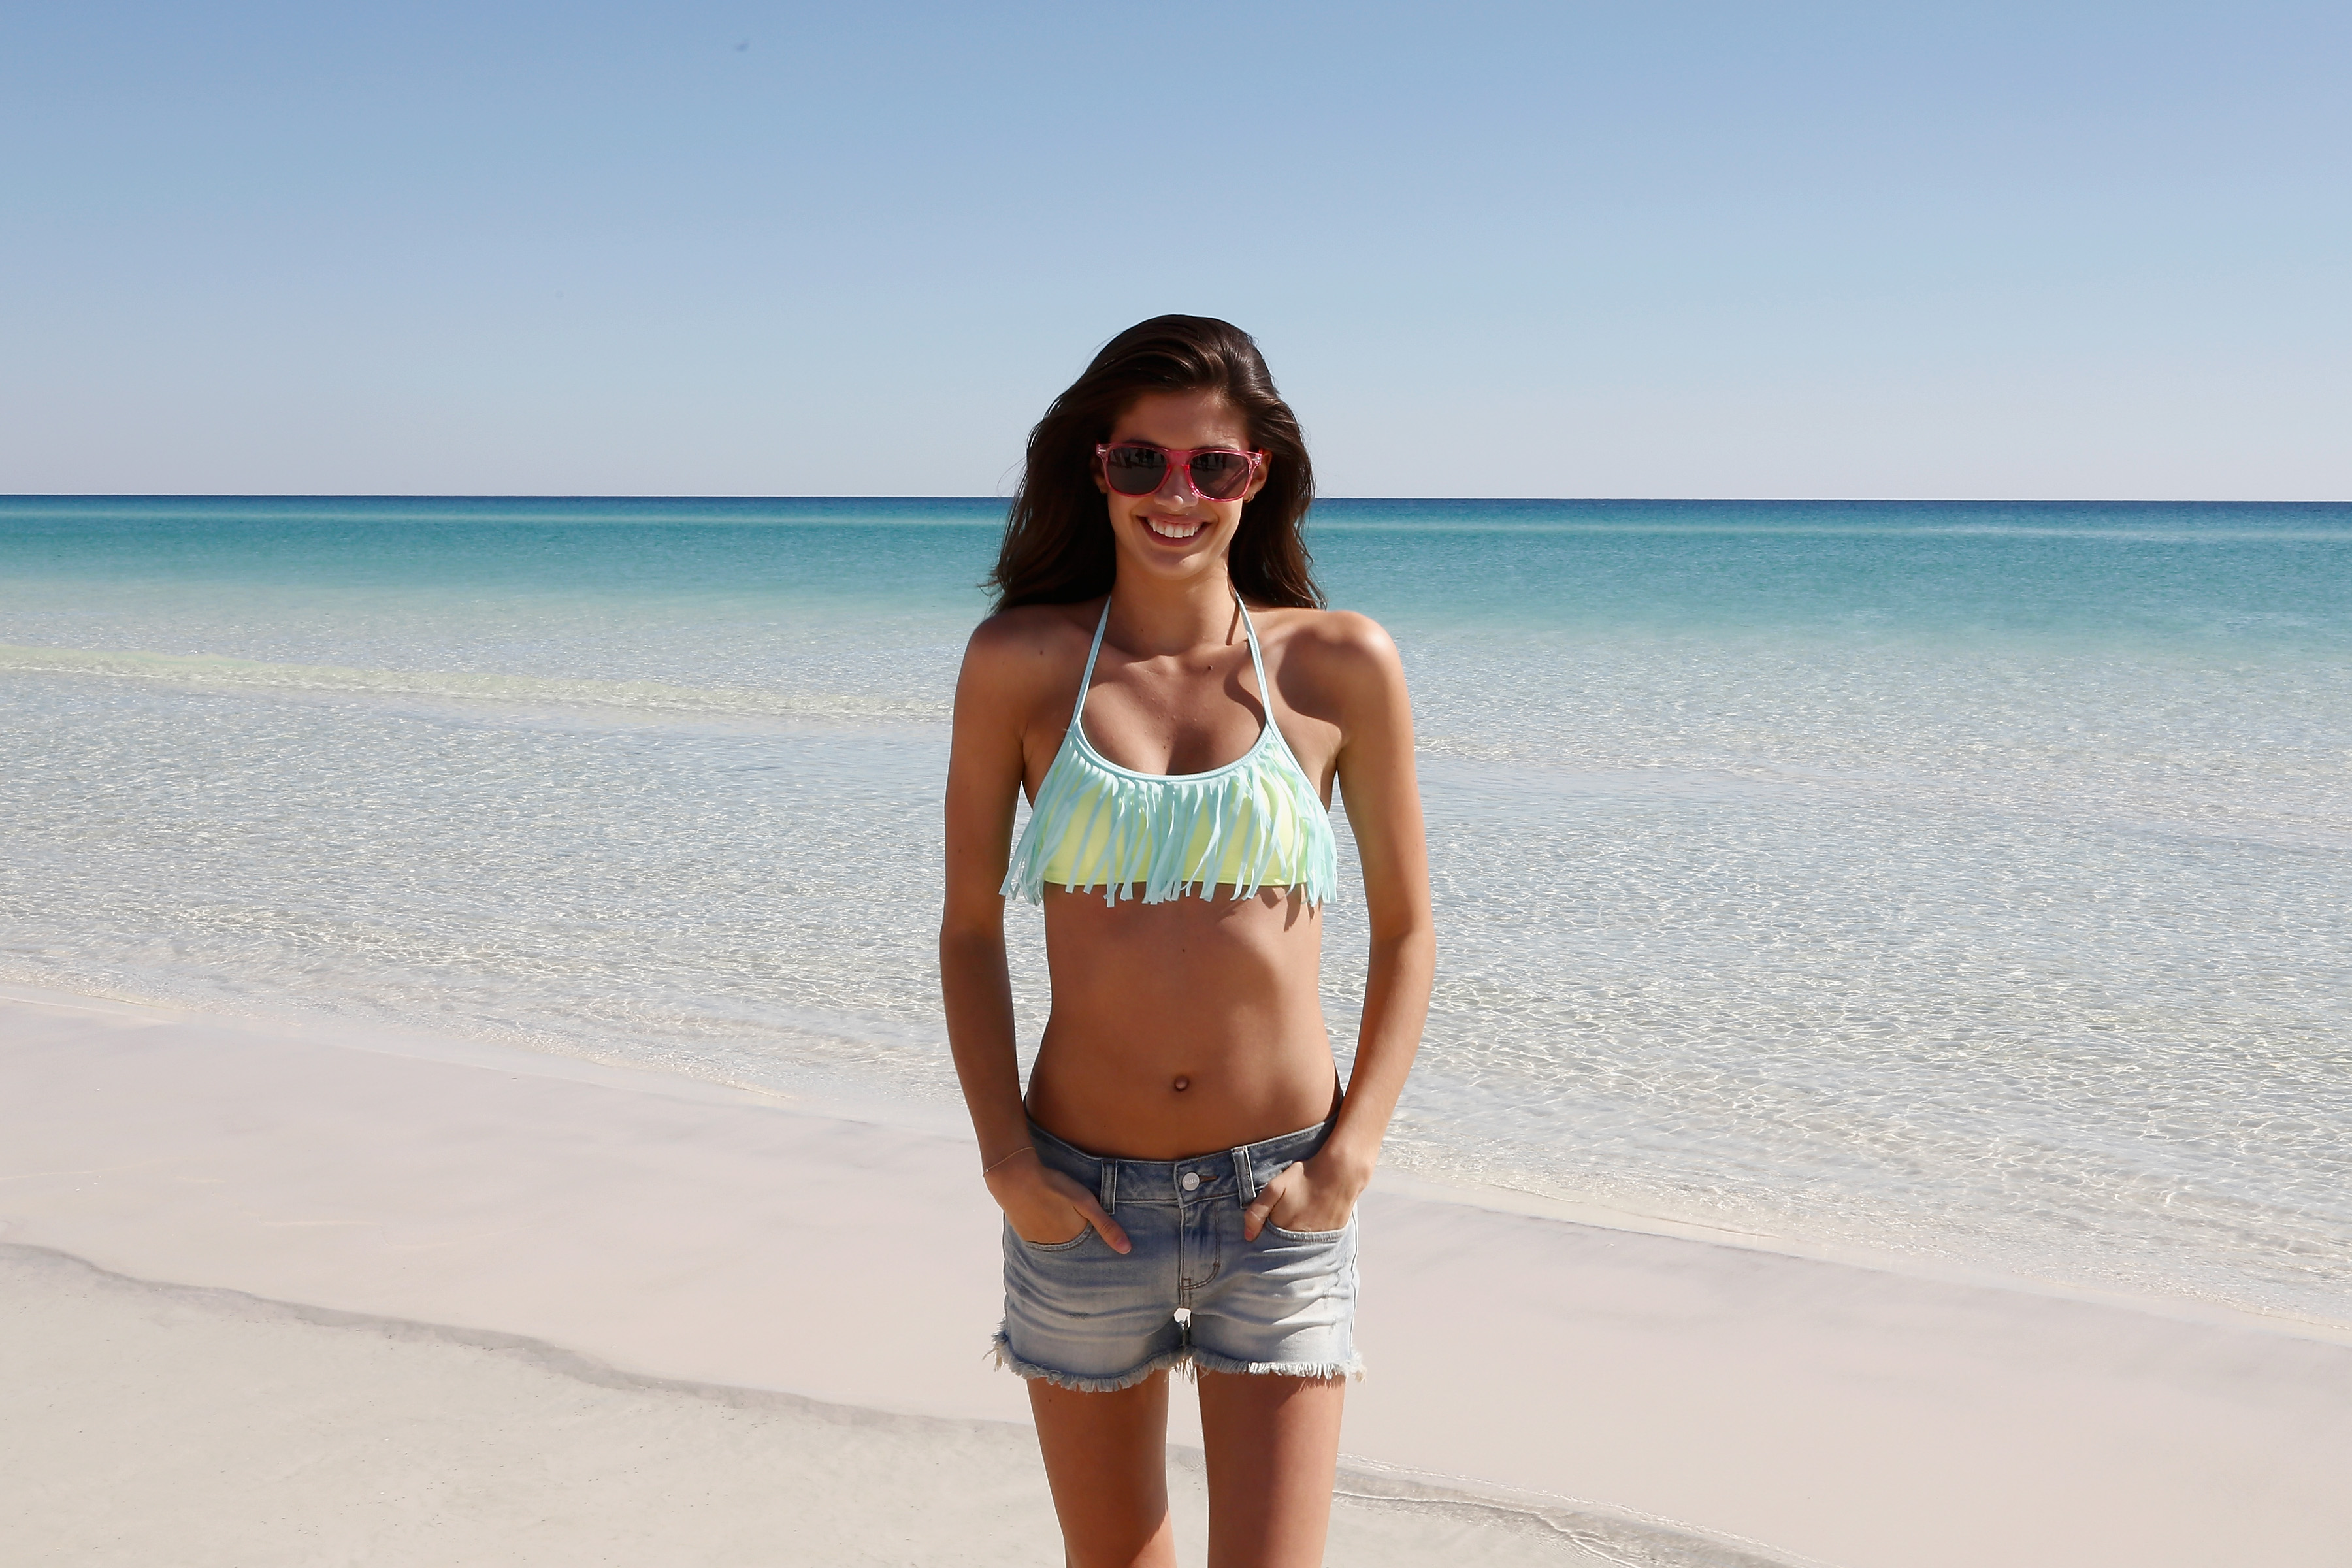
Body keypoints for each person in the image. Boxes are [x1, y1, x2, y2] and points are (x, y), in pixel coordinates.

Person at [939, 315, 1433, 1568]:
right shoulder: (1021, 662)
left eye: (1211, 465)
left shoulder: (1339, 664)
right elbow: (969, 931)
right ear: (1097, 468)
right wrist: (1007, 1162)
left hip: (1280, 1198)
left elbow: (1409, 931)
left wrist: (1348, 1160)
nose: (1177, 494)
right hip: (1079, 1197)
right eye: (1142, 462)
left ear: (1256, 476)